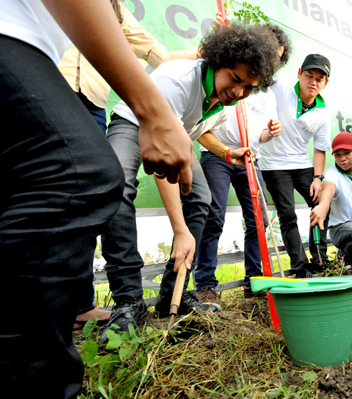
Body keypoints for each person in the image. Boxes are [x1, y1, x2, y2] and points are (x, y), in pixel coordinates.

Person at [0, 0, 193, 397]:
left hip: (82, 93)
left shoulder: (122, 14)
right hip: (22, 47)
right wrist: (154, 113)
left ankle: (77, 307)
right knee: (80, 174)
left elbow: (156, 51)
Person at [100, 23, 281, 343]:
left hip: (174, 136)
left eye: (250, 87)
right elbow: (163, 167)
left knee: (201, 197)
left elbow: (193, 134)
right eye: (236, 79)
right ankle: (128, 301)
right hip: (134, 121)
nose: (239, 92)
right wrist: (180, 230)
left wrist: (226, 152)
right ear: (215, 61)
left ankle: (176, 291)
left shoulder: (224, 104)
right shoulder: (179, 81)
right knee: (117, 186)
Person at [194, 24, 292, 307]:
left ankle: (255, 281)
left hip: (250, 159)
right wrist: (225, 151)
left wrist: (270, 132)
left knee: (259, 220)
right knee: (213, 217)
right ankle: (205, 285)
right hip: (218, 157)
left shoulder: (267, 94)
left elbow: (258, 136)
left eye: (278, 56)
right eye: (270, 50)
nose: (273, 57)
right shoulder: (232, 76)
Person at [58, 0, 199, 133]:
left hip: (93, 104)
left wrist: (210, 48)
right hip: (54, 84)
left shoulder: (118, 10)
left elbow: (161, 56)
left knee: (97, 158)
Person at [259, 54, 333, 274]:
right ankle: (299, 265)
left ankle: (319, 257)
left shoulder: (323, 111)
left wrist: (318, 179)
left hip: (301, 164)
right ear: (299, 73)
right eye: (309, 75)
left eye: (320, 79)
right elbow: (260, 70)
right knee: (287, 214)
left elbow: (320, 149)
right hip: (274, 165)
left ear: (325, 83)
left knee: (320, 206)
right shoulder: (280, 88)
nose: (313, 81)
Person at [310, 132, 352, 267]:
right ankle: (346, 253)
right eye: (338, 154)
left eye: (347, 152)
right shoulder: (332, 173)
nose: (342, 158)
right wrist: (324, 205)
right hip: (341, 228)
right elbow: (328, 188)